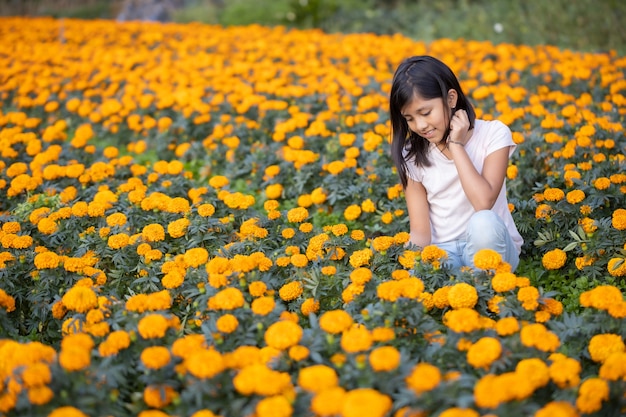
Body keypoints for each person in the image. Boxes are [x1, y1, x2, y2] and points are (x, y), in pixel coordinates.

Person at [389, 55, 523, 271]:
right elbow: (420, 234)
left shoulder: (493, 134)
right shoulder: (412, 155)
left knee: (484, 222)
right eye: (409, 118)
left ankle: (484, 290)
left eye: (425, 113)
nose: (420, 125)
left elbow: (483, 202)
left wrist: (456, 145)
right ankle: (471, 289)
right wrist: (405, 271)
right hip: (445, 252)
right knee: (423, 274)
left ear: (451, 98)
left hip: (492, 248)